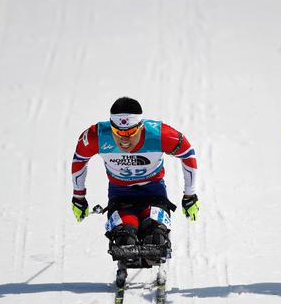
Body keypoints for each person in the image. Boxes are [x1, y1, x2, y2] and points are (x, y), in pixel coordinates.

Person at [71, 96, 199, 285]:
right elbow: (79, 159)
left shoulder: (159, 134)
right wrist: (78, 197)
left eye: (131, 131)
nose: (124, 138)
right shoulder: (96, 135)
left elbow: (188, 154)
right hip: (120, 195)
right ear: (111, 127)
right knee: (125, 241)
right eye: (118, 131)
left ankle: (154, 240)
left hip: (153, 193)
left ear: (140, 126)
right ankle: (127, 242)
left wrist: (190, 194)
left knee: (155, 239)